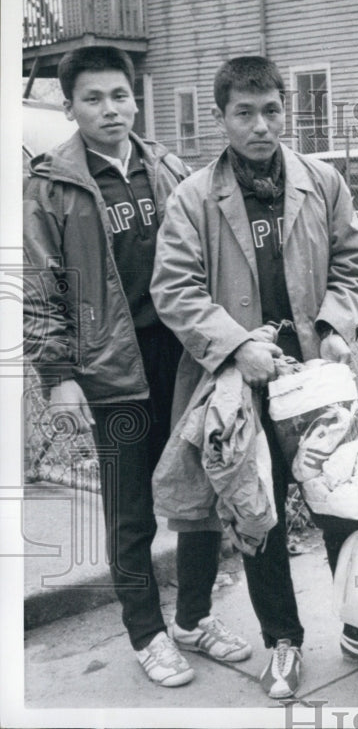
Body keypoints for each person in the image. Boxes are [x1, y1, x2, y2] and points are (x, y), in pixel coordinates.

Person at [149, 55, 358, 700]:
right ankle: (283, 640)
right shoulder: (193, 197)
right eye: (243, 113)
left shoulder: (322, 183)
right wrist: (237, 346)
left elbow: (355, 267)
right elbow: (175, 290)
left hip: (316, 381)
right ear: (220, 119)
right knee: (258, 514)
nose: (260, 126)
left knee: (342, 506)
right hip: (238, 387)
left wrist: (335, 327)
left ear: (285, 112)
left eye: (272, 110)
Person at [23, 45, 249, 688]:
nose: (110, 109)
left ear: (135, 98)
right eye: (93, 99)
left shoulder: (169, 167)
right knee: (131, 511)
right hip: (113, 370)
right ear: (69, 107)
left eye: (120, 96)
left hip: (184, 363)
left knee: (202, 495)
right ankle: (148, 634)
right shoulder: (50, 186)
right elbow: (41, 288)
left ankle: (194, 619)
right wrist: (59, 374)